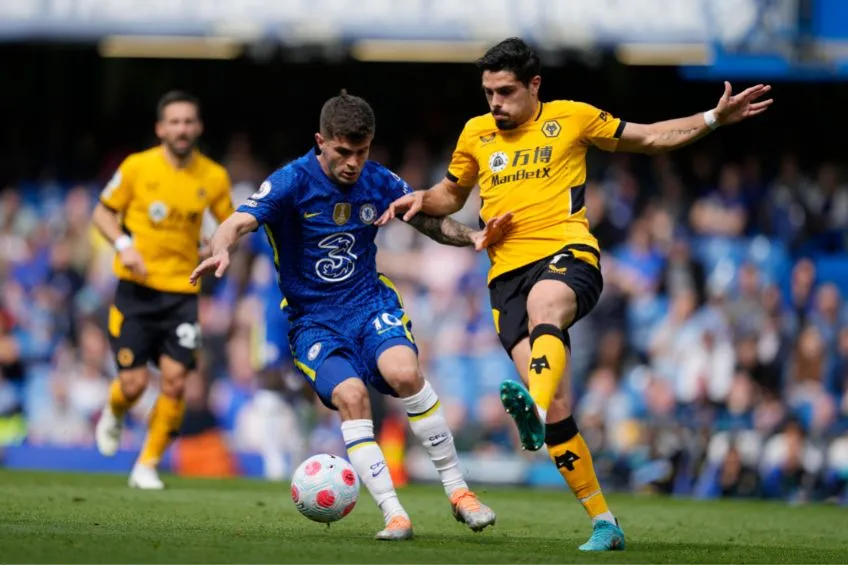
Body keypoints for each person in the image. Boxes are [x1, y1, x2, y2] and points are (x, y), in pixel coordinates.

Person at [377, 37, 772, 551]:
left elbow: (651, 137)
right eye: (488, 92)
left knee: (545, 308)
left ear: (534, 85)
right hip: (505, 280)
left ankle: (533, 409)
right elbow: (450, 195)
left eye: (506, 91)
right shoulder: (476, 133)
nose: (495, 103)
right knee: (560, 405)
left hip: (568, 255)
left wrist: (714, 118)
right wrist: (419, 198)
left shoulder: (572, 118)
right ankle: (604, 521)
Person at [190, 91, 510, 540]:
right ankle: (395, 514)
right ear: (321, 141)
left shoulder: (377, 180)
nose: (353, 163)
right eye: (343, 152)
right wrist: (221, 248)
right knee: (352, 396)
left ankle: (460, 493)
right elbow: (236, 222)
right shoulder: (291, 182)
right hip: (313, 320)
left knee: (405, 373)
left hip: (369, 304)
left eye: (362, 151)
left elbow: (428, 221)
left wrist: (472, 236)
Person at [92, 90, 235, 489]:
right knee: (134, 385)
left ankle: (147, 464)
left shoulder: (214, 177)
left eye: (188, 121)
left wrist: (218, 247)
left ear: (198, 127)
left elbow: (230, 226)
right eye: (174, 122)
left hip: (182, 293)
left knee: (175, 381)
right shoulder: (137, 167)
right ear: (160, 128)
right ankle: (115, 411)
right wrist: (124, 245)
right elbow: (102, 211)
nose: (182, 129)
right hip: (136, 291)